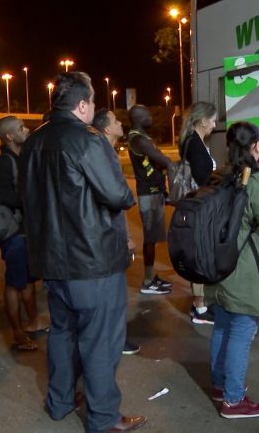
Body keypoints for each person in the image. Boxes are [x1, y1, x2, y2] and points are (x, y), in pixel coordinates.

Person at [20, 72, 145, 432]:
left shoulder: (34, 140)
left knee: (63, 333)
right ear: (82, 105)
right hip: (92, 261)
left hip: (51, 259)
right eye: (92, 100)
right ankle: (103, 418)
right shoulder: (88, 141)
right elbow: (119, 195)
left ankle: (59, 402)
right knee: (100, 340)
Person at [205, 121, 259, 419]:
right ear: (255, 145)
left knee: (222, 326)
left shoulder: (220, 176)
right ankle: (233, 399)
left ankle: (220, 384)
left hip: (218, 266)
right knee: (241, 331)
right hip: (244, 270)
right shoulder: (257, 182)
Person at [0, 116, 49, 352]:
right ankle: (16, 333)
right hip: (14, 233)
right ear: (10, 136)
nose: (26, 129)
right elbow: (2, 195)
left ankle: (33, 321)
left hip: (25, 231)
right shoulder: (5, 162)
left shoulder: (20, 157)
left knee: (26, 280)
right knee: (15, 283)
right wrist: (31, 201)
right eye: (21, 128)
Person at [92, 108, 142, 356]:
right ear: (106, 128)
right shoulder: (102, 154)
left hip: (109, 235)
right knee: (112, 292)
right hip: (108, 238)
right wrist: (123, 238)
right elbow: (114, 200)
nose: (121, 123)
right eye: (116, 120)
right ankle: (115, 340)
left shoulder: (106, 151)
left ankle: (113, 337)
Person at [178, 101, 218, 325]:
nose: (214, 125)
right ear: (203, 120)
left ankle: (200, 303)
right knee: (200, 255)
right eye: (212, 120)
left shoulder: (194, 140)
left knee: (200, 254)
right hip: (198, 207)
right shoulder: (194, 143)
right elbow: (203, 179)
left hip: (197, 205)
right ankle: (200, 309)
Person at [128, 104, 173, 295]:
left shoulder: (142, 138)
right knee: (149, 238)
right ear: (138, 118)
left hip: (154, 191)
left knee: (152, 239)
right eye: (146, 114)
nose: (150, 116)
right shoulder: (138, 139)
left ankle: (150, 276)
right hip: (149, 193)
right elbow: (164, 161)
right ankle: (147, 282)